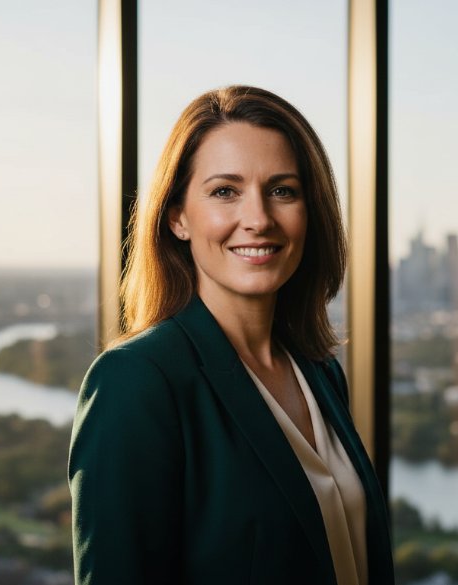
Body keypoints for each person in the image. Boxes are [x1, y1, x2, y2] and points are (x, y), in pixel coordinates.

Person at [68, 85, 393, 585]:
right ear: (177, 216)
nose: (258, 219)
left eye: (283, 191)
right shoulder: (135, 382)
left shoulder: (319, 370)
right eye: (225, 191)